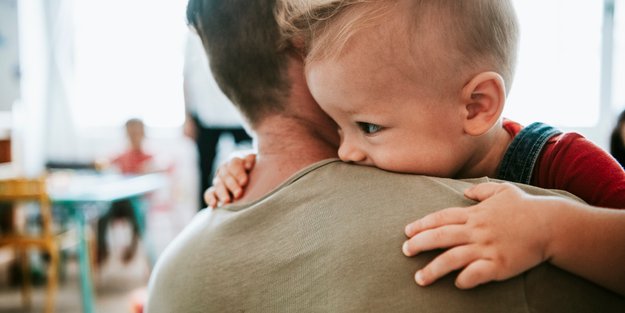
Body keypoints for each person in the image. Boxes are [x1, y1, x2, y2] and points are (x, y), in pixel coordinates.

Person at [145, 0, 625, 311]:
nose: (348, 151)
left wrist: (549, 228)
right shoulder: (414, 130)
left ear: (476, 107)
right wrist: (245, 166)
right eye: (337, 125)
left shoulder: (563, 160)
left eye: (367, 127)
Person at [183, 27, 253, 210]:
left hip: (238, 112)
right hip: (205, 116)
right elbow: (186, 77)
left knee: (250, 166)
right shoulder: (192, 36)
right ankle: (203, 216)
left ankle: (249, 209)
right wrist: (187, 117)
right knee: (204, 172)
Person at [96, 118, 154, 265]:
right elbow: (104, 161)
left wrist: (150, 169)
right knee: (101, 215)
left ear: (143, 134)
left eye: (137, 133)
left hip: (138, 203)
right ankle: (101, 250)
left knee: (138, 216)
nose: (134, 136)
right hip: (119, 202)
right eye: (130, 133)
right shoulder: (122, 156)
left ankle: (132, 248)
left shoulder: (149, 157)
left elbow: (165, 166)